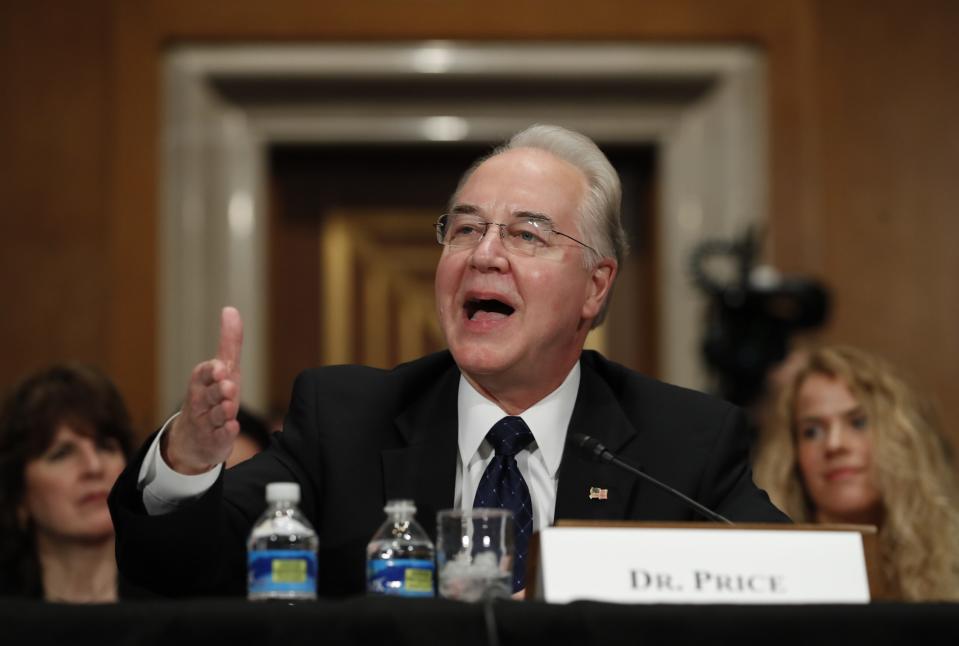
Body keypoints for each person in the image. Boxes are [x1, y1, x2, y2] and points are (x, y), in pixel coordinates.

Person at [109, 124, 787, 599]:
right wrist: (188, 463)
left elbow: (799, 586)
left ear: (596, 285)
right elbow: (181, 574)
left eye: (526, 234)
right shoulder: (345, 420)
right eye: (464, 229)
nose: (483, 254)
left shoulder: (683, 442)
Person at [753, 345, 959, 600]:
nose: (834, 444)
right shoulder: (767, 571)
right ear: (793, 456)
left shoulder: (951, 564)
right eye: (812, 432)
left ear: (902, 439)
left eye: (858, 422)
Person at [0, 364, 135, 601]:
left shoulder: (182, 601)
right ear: (19, 494)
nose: (94, 467)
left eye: (106, 447)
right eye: (62, 453)